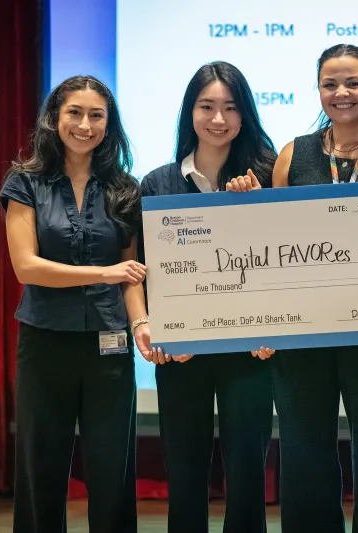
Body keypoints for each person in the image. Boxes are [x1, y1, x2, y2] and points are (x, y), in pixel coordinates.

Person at [237, 44, 358, 533]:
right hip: (303, 334)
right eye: (330, 84)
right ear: (319, 90)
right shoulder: (292, 155)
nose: (341, 93)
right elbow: (271, 247)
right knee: (303, 454)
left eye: (353, 83)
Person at [0, 75, 150, 533]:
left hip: (109, 343)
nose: (85, 124)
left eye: (96, 115)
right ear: (54, 118)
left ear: (110, 123)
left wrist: (141, 323)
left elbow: (132, 275)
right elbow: (27, 268)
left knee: (112, 469)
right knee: (40, 466)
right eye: (75, 113)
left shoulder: (125, 187)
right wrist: (103, 273)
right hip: (45, 341)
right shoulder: (25, 182)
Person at [139, 61, 277, 533]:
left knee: (247, 475)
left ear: (245, 115)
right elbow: (143, 271)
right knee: (185, 468)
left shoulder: (267, 175)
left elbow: (287, 261)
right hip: (183, 353)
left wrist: (260, 204)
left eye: (230, 108)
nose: (219, 119)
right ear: (189, 113)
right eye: (207, 107)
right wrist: (153, 327)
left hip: (251, 352)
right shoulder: (158, 183)